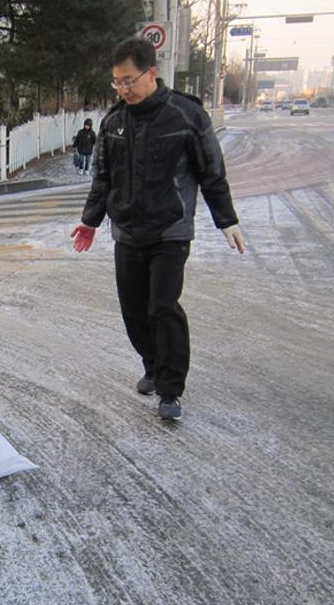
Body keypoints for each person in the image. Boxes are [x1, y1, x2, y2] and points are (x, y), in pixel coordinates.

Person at [71, 37, 245, 421]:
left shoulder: (186, 115)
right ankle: (151, 364)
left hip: (170, 230)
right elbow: (102, 178)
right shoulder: (113, 122)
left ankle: (170, 388)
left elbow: (211, 169)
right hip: (128, 231)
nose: (123, 89)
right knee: (134, 311)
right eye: (117, 82)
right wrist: (91, 220)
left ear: (152, 73)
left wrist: (226, 219)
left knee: (162, 307)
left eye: (129, 80)